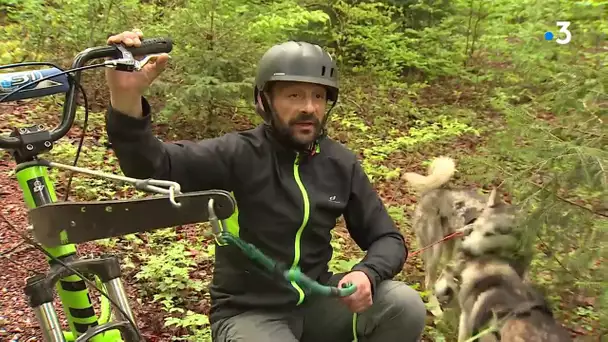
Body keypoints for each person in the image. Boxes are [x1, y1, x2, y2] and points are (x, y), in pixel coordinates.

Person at [104, 30, 426, 342]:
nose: (309, 107)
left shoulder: (340, 163)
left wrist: (367, 273)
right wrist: (126, 96)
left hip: (315, 305)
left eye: (318, 95)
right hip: (249, 313)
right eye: (294, 94)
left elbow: (388, 238)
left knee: (403, 306)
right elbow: (154, 166)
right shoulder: (239, 153)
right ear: (264, 100)